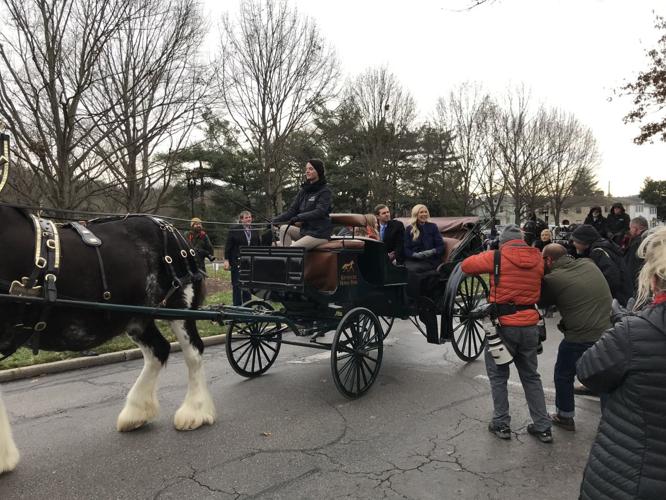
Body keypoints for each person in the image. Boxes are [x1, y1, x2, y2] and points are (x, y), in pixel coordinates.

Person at [577, 226, 666, 499]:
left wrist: (621, 327)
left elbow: (588, 371)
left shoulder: (635, 333)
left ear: (653, 281)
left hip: (630, 476)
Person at [461, 224, 552, 443]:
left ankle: (501, 424)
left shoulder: (496, 257)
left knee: (499, 377)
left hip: (504, 326)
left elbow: (466, 266)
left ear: (503, 241)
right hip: (530, 324)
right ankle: (543, 427)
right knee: (531, 377)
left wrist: (489, 252)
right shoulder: (537, 257)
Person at [539, 244, 611, 432]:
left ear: (548, 261)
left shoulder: (553, 279)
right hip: (607, 332)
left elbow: (542, 301)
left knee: (563, 374)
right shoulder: (589, 264)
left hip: (580, 335)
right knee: (605, 376)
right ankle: (610, 420)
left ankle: (565, 415)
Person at [272, 159, 332, 249]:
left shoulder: (325, 191)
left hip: (319, 234)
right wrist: (275, 220)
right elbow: (292, 211)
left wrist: (299, 217)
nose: (307, 171)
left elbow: (320, 211)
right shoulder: (304, 191)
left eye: (311, 169)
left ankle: (290, 256)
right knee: (284, 228)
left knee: (293, 249)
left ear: (318, 171)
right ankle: (289, 258)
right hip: (305, 231)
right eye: (306, 169)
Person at [571, 224, 631, 305]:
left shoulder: (598, 252)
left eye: (576, 241)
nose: (574, 244)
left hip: (616, 300)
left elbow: (612, 278)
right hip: (622, 296)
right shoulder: (603, 247)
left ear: (585, 242)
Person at [224, 211, 271, 306]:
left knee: (248, 285)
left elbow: (258, 246)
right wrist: (226, 260)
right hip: (237, 261)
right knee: (237, 285)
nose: (249, 219)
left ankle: (247, 306)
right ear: (241, 219)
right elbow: (228, 246)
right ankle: (237, 307)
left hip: (250, 262)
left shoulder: (255, 231)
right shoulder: (234, 230)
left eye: (250, 217)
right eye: (246, 218)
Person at [403, 204, 444, 274]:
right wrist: (414, 255)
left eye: (426, 212)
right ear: (416, 214)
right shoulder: (409, 229)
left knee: (412, 269)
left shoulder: (433, 227)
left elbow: (440, 246)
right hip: (414, 259)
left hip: (430, 260)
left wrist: (430, 252)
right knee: (402, 267)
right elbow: (406, 248)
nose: (424, 214)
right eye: (421, 212)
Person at [624, 215, 649, 295]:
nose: (630, 230)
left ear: (636, 228)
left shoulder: (637, 243)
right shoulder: (650, 239)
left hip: (638, 283)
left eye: (630, 228)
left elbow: (632, 266)